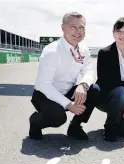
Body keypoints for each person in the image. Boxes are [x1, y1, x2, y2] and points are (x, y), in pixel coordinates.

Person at [28, 12, 100, 141]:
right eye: (73, 27)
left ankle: (75, 127)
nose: (78, 31)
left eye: (81, 27)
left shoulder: (84, 49)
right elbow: (43, 85)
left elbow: (88, 71)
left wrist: (83, 85)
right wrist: (68, 105)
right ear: (63, 28)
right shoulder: (52, 51)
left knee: (94, 90)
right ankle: (35, 121)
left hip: (67, 92)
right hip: (45, 95)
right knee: (58, 117)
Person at [96, 17, 124, 142]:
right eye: (119, 31)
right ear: (113, 33)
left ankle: (117, 116)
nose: (122, 34)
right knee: (123, 91)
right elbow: (105, 79)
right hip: (107, 98)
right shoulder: (104, 53)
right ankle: (110, 127)